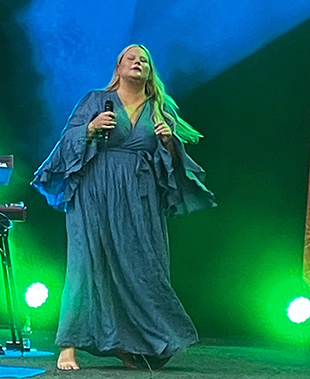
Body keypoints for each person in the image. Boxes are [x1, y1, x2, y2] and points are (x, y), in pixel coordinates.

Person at [31, 44, 216, 371]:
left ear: (149, 71)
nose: (138, 62)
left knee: (142, 265)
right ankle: (69, 346)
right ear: (118, 67)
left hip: (139, 198)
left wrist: (169, 142)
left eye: (144, 60)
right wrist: (89, 129)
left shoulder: (159, 109)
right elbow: (66, 142)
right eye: (131, 58)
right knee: (86, 263)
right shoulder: (94, 100)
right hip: (94, 192)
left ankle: (126, 344)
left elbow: (173, 167)